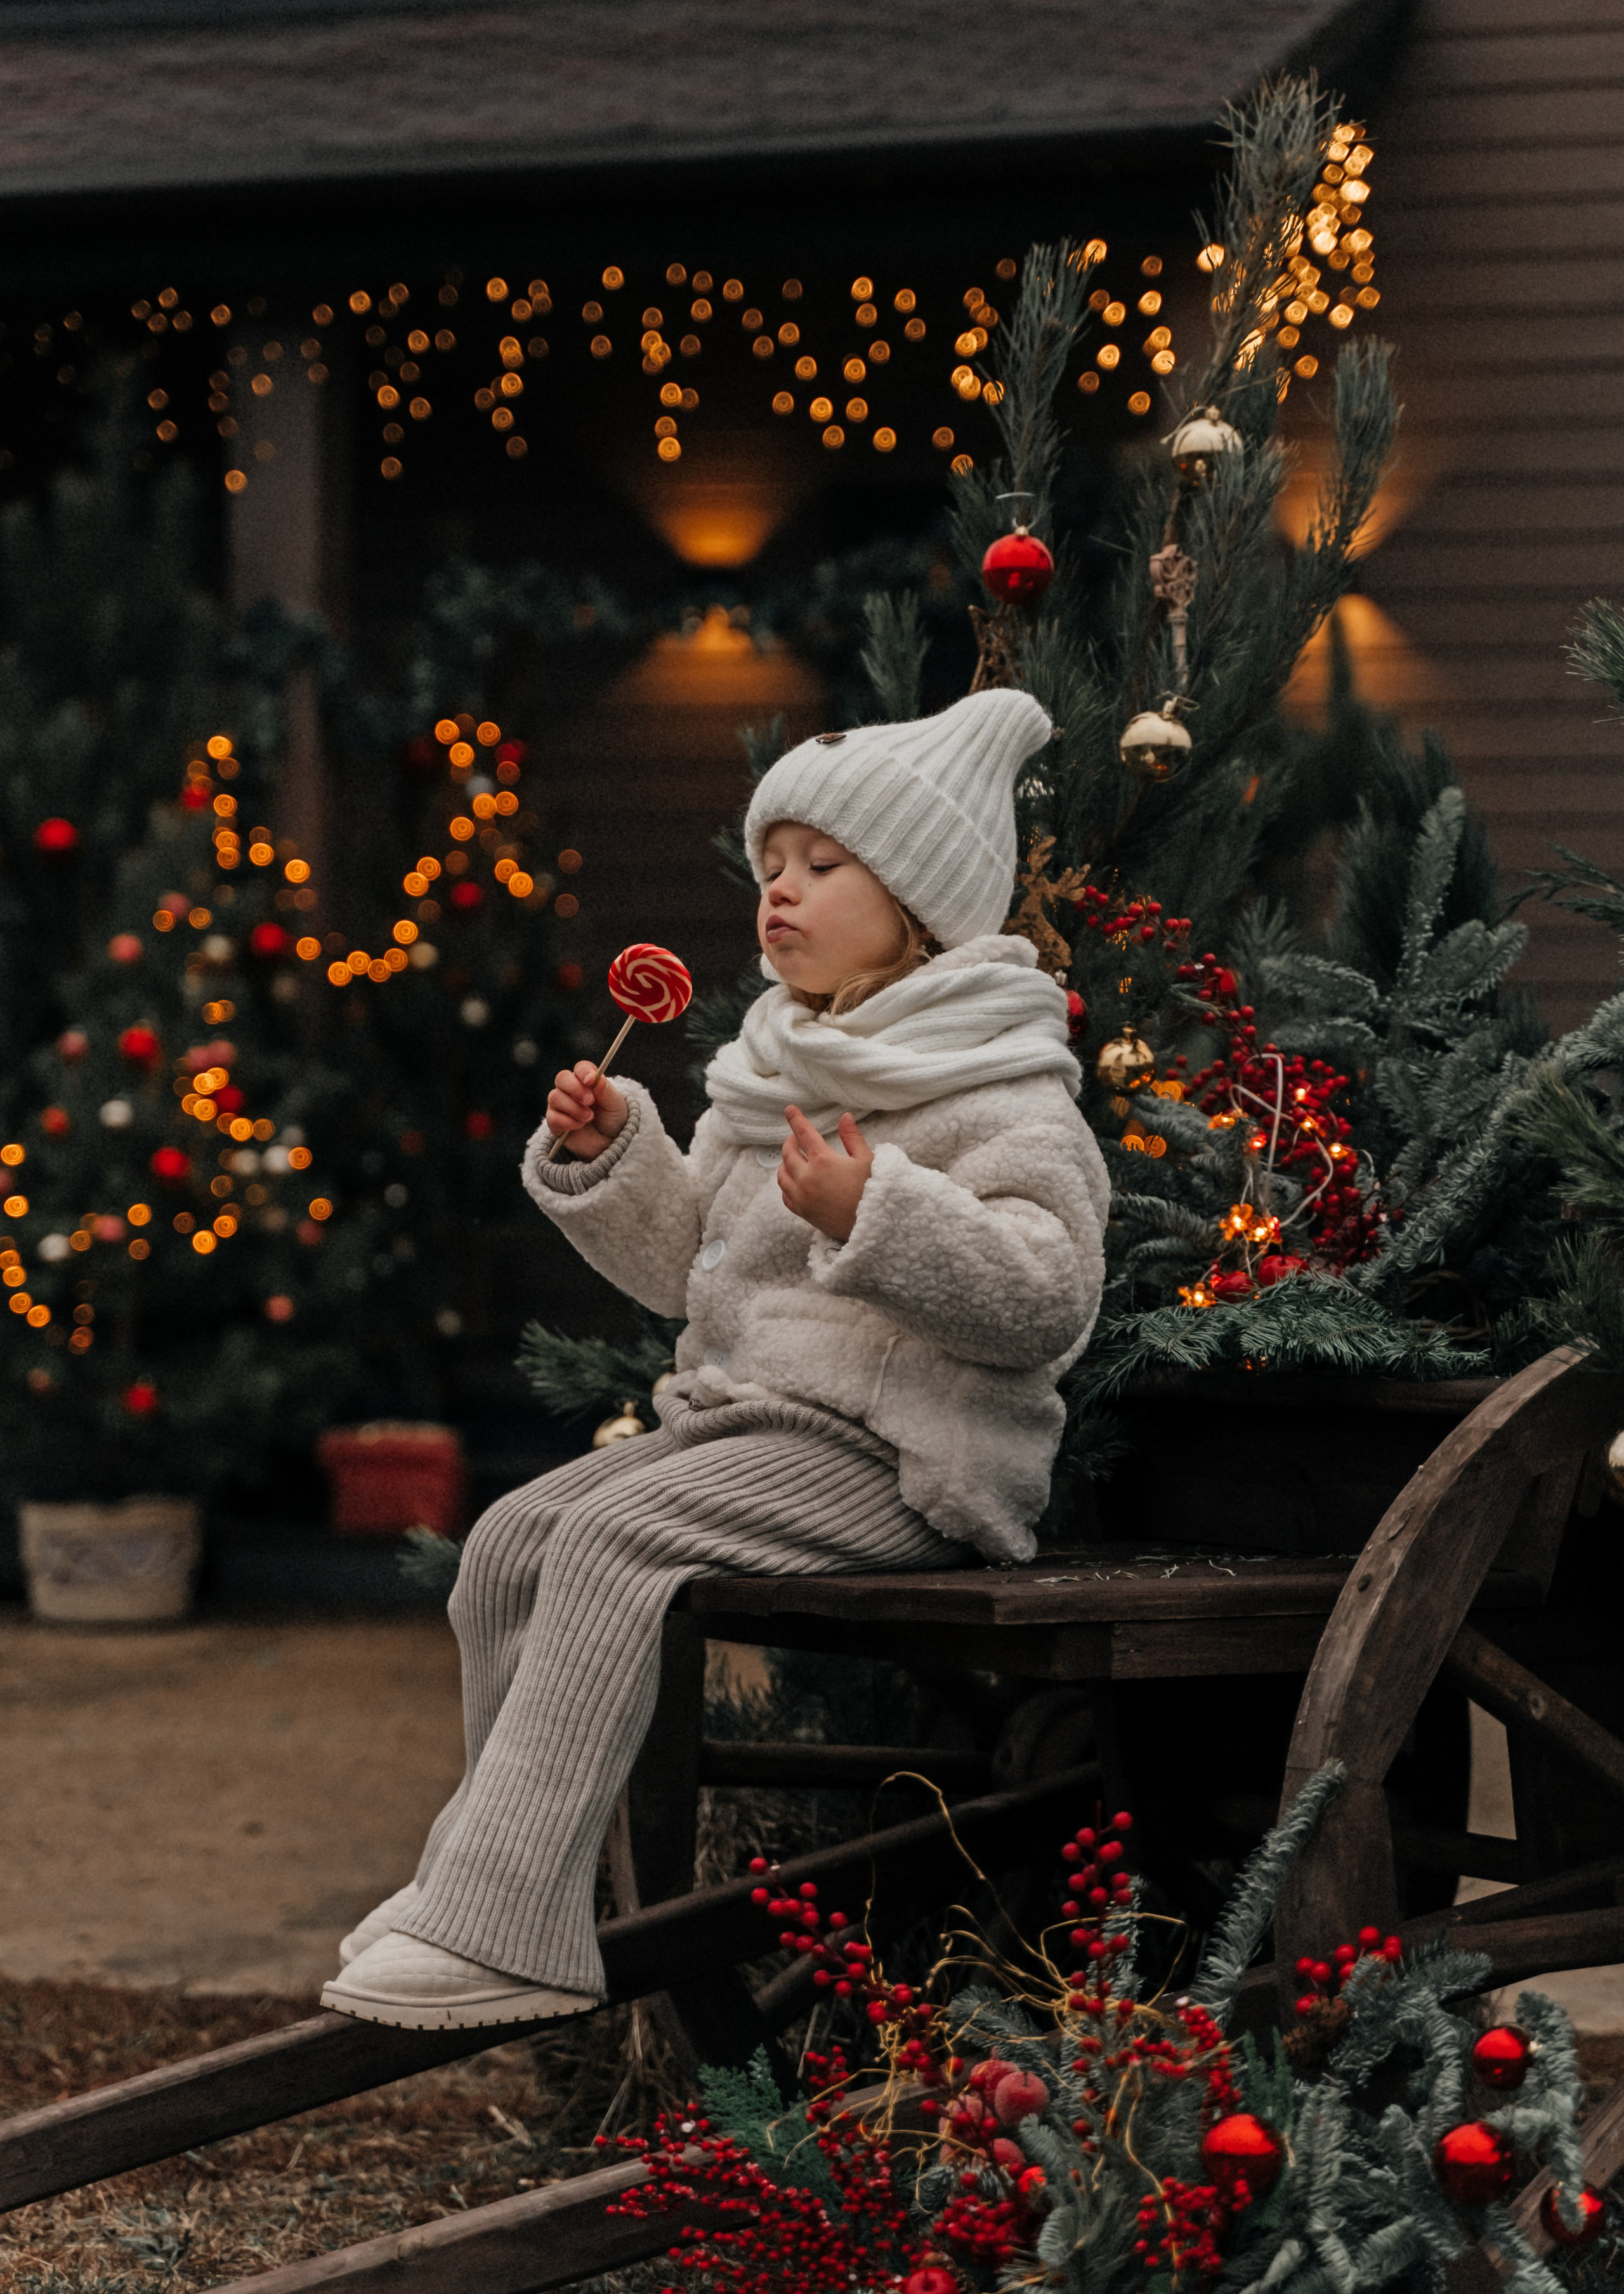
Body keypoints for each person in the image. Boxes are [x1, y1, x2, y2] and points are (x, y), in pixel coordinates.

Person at [322, 687, 1110, 2030]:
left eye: (819, 866)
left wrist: (875, 1216)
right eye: (767, 868)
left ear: (917, 898)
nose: (778, 894)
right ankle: (506, 1887)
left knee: (611, 1543)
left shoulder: (998, 1081)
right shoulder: (779, 1066)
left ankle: (497, 1918)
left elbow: (1044, 1297)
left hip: (903, 1450)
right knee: (513, 1538)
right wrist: (610, 1155)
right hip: (752, 1428)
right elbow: (691, 1270)